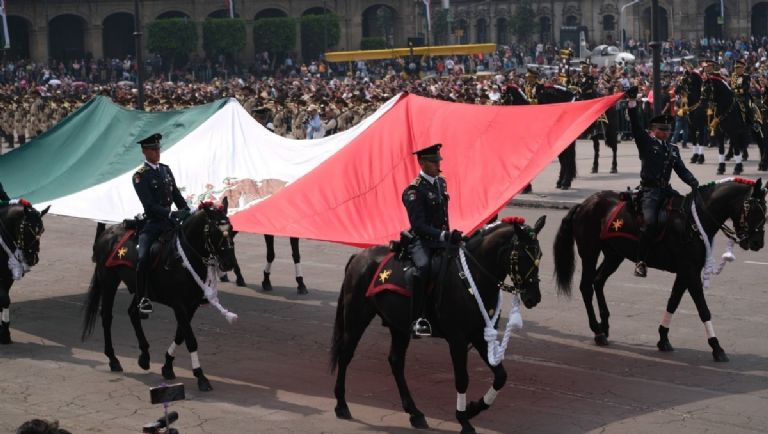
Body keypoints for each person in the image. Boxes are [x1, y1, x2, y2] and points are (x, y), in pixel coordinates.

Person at [626, 86, 699, 278]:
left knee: (686, 214)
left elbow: (681, 169)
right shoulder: (646, 143)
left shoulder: (673, 149)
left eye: (668, 130)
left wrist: (693, 182)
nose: (666, 133)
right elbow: (634, 125)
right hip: (649, 192)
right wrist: (632, 102)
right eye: (662, 130)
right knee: (649, 223)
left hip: (666, 190)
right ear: (653, 130)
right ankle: (641, 261)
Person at [402, 143, 462, 336]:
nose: (438, 164)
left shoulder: (441, 183)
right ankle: (417, 320)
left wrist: (450, 236)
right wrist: (443, 235)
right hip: (422, 241)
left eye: (438, 160)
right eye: (434, 161)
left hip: (442, 239)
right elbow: (419, 226)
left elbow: (443, 216)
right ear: (422, 163)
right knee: (423, 268)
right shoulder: (413, 191)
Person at [132, 133, 191, 316]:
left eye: (158, 148)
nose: (157, 152)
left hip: (170, 222)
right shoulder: (140, 176)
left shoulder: (165, 170)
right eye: (153, 149)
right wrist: (169, 212)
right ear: (144, 151)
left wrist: (189, 211)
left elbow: (176, 197)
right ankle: (143, 298)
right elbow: (149, 205)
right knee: (143, 258)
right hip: (153, 224)